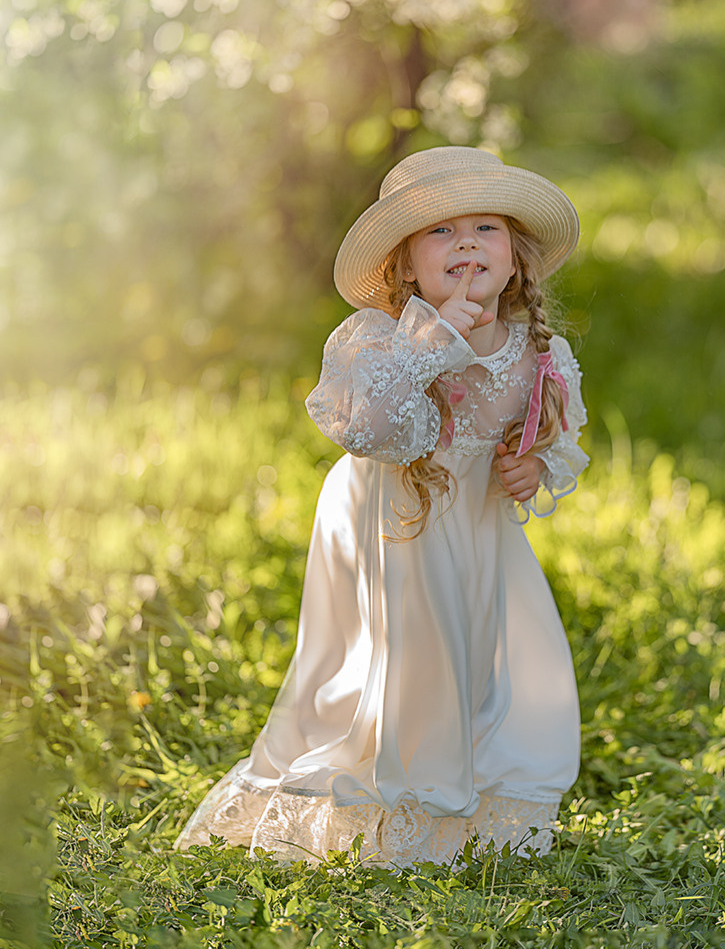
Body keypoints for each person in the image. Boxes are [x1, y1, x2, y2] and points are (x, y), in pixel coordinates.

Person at [175, 145, 589, 867]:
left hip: (478, 528)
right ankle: (387, 806)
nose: (464, 242)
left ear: (516, 258)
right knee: (401, 659)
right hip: (393, 522)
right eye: (439, 232)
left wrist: (530, 465)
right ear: (404, 268)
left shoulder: (534, 349)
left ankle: (470, 799)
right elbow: (368, 428)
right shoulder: (381, 340)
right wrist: (434, 345)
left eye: (484, 228)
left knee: (482, 657)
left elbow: (552, 432)